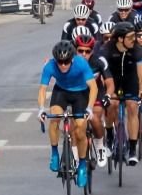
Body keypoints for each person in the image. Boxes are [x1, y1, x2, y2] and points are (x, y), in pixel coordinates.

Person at [39, 39, 101, 187]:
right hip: (61, 92)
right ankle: (54, 153)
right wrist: (41, 109)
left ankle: (82, 165)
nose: (63, 65)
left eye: (66, 62)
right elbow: (42, 89)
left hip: (80, 94)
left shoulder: (81, 63)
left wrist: (89, 108)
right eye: (60, 62)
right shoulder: (50, 66)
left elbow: (93, 88)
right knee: (54, 118)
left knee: (80, 130)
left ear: (72, 59)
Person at [103, 21, 142, 165]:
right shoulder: (107, 49)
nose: (134, 39)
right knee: (112, 104)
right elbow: (102, 72)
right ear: (120, 39)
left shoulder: (137, 50)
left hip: (131, 81)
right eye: (130, 37)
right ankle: (109, 135)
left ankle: (133, 149)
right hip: (113, 81)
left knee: (132, 106)